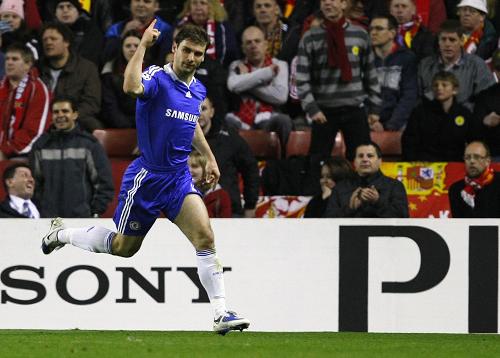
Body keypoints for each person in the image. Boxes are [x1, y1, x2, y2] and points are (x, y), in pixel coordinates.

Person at [40, 22, 250, 334]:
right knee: (124, 248)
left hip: (178, 179)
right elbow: (130, 86)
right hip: (146, 179)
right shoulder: (157, 76)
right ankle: (63, 235)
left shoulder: (198, 90)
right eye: (187, 51)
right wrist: (142, 46)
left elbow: (191, 123)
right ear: (174, 50)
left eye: (198, 53)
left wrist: (209, 156)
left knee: (205, 237)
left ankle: (221, 313)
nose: (192, 57)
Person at [295, 0, 382, 195]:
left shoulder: (360, 34)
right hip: (323, 112)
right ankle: (314, 202)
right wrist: (312, 109)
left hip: (355, 108)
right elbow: (301, 78)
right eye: (324, 0)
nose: (327, 3)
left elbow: (370, 73)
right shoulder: (310, 37)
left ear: (344, 4)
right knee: (317, 161)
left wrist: (375, 108)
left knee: (362, 158)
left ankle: (365, 197)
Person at [30, 96, 114, 218]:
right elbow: (34, 184)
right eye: (56, 112)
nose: (60, 115)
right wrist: (40, 209)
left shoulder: (90, 144)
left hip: (82, 218)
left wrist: (94, 212)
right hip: (48, 219)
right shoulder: (40, 145)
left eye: (65, 111)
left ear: (75, 115)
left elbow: (104, 183)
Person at [226, 26, 292, 149]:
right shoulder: (236, 65)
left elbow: (280, 96)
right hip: (241, 119)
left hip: (269, 118)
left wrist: (246, 81)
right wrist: (267, 74)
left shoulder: (279, 65)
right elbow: (232, 85)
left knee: (284, 120)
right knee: (226, 121)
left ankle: (283, 160)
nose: (253, 45)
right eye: (248, 42)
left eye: (257, 41)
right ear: (243, 48)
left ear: (266, 45)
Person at [199, 96, 259, 217]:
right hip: (191, 214)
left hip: (230, 213)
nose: (198, 113)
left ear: (212, 112)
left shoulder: (230, 138)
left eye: (203, 109)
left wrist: (250, 205)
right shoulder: (178, 139)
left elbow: (251, 169)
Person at [39, 22, 103, 132]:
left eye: (53, 39)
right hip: (42, 122)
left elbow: (91, 103)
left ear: (66, 42)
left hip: (77, 122)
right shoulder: (36, 69)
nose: (48, 42)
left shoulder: (87, 68)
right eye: (45, 40)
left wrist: (66, 116)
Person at [418, 20, 495, 109]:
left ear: (462, 41)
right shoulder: (425, 65)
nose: (447, 44)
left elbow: (487, 99)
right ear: (438, 41)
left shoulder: (477, 65)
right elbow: (417, 98)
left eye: (452, 40)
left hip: (466, 118)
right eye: (443, 39)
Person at [324, 141, 409, 218]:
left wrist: (378, 202)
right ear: (354, 161)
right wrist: (350, 208)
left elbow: (404, 218)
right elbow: (327, 221)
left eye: (370, 156)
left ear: (380, 161)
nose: (365, 159)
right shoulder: (340, 187)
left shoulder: (395, 186)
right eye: (360, 156)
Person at [403, 71, 473, 162]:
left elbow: (473, 141)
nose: (439, 88)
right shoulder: (420, 112)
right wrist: (413, 161)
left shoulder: (464, 114)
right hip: (426, 164)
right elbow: (409, 140)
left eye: (444, 85)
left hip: (455, 164)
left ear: (455, 90)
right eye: (436, 85)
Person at [0, 43, 51, 160]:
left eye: (15, 59)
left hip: (24, 154)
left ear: (28, 64)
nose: (9, 62)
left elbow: (34, 131)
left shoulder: (37, 89)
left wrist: (5, 151)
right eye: (7, 59)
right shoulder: (2, 87)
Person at [369, 14, 418, 132]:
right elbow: (360, 94)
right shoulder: (364, 57)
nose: (373, 33)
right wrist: (370, 121)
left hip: (398, 123)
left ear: (392, 33)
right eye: (371, 29)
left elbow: (409, 96)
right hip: (369, 122)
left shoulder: (407, 58)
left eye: (379, 29)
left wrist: (391, 125)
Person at [103, 0, 172, 67]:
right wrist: (123, 33)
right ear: (130, 3)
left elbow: (164, 60)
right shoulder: (117, 28)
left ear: (156, 6)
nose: (141, 5)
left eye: (147, 1)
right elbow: (107, 56)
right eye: (137, 0)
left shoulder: (165, 30)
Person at [176, 0, 239, 68]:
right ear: (189, 7)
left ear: (213, 7)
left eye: (203, 3)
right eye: (194, 3)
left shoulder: (223, 27)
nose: (198, 7)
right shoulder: (180, 24)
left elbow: (227, 55)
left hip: (215, 71)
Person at [100, 30, 141, 128]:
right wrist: (128, 126)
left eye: (136, 46)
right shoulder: (110, 76)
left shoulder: (154, 73)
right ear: (121, 49)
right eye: (128, 46)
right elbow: (111, 108)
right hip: (121, 127)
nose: (132, 49)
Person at [448, 141, 500, 217]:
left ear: (488, 161)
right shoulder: (456, 189)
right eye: (467, 157)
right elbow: (460, 225)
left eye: (477, 157)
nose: (472, 161)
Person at [52, 0, 104, 66]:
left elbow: (92, 55)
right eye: (61, 7)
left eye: (69, 6)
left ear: (78, 11)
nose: (65, 10)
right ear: (55, 13)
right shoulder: (50, 31)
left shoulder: (90, 28)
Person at [250, 0, 302, 65]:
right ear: (253, 12)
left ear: (277, 10)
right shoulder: (245, 33)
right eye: (258, 6)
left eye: (267, 6)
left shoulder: (290, 32)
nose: (262, 10)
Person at [471, 50, 500, 161]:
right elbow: (473, 133)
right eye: (499, 69)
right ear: (495, 72)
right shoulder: (485, 96)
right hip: (494, 154)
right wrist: (484, 122)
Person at [188, 149, 232, 218]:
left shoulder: (221, 196)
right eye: (186, 167)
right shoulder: (180, 194)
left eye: (195, 166)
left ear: (207, 170)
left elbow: (226, 225)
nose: (189, 170)